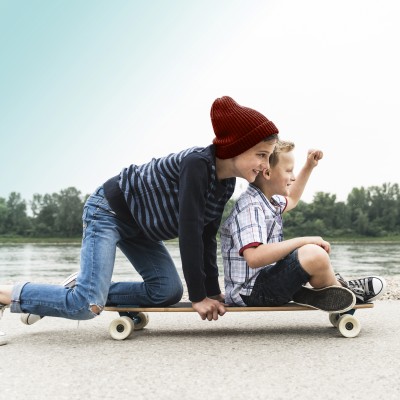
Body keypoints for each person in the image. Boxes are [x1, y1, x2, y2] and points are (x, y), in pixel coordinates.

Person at [0, 96, 280, 344]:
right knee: (85, 306)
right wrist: (198, 297)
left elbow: (207, 235)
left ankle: (84, 285)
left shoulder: (226, 184)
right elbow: (190, 230)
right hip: (108, 211)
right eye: (261, 155)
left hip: (141, 227)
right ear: (235, 147)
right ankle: (8, 294)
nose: (266, 166)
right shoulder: (197, 164)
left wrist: (212, 291)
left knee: (166, 291)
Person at [220, 140, 387, 309]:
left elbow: (292, 198)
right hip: (251, 292)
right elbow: (255, 257)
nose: (293, 177)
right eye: (289, 170)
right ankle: (343, 292)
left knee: (315, 256)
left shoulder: (269, 202)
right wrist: (303, 241)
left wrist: (309, 166)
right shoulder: (250, 206)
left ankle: (332, 291)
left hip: (263, 284)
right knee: (314, 254)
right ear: (268, 173)